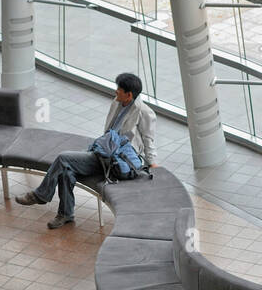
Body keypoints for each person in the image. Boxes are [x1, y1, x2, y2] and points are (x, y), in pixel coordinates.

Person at [14, 72, 157, 229]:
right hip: (103, 153)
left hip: (117, 163)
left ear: (129, 95)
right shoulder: (117, 102)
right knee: (66, 170)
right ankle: (65, 214)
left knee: (63, 159)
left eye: (119, 89)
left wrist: (153, 163)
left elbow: (149, 140)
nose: (116, 91)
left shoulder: (144, 112)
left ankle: (41, 195)